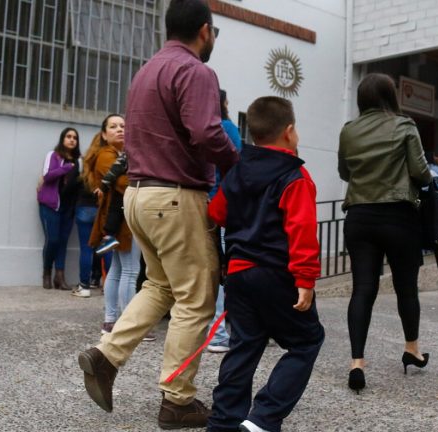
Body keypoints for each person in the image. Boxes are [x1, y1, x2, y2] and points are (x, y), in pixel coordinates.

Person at [76, 1, 238, 428]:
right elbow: (206, 132)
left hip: (139, 197)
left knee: (160, 286)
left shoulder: (146, 71)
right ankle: (177, 400)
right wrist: (237, 166)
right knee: (196, 299)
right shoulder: (197, 72)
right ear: (205, 31)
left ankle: (106, 355)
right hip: (176, 196)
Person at [206, 96, 324, 432]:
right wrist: (306, 279)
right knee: (306, 341)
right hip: (276, 274)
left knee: (244, 344)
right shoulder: (295, 176)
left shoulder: (239, 169)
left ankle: (224, 421)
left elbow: (217, 212)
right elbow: (301, 230)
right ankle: (263, 418)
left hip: (239, 275)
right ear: (289, 132)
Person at [337, 73, 432, 393]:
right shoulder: (405, 126)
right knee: (407, 289)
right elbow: (421, 173)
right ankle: (411, 349)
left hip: (359, 216)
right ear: (390, 97)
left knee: (362, 288)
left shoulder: (349, 130)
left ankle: (357, 364)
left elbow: (344, 172)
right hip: (398, 216)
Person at [86, 114, 143, 334]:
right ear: (104, 134)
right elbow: (123, 183)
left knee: (118, 270)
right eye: (113, 126)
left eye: (122, 126)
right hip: (120, 221)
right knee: (130, 270)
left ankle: (111, 320)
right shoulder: (105, 155)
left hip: (120, 219)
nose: (119, 129)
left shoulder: (121, 155)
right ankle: (128, 324)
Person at [207, 88, 243, 354]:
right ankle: (218, 334)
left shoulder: (191, 127)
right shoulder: (228, 128)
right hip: (222, 207)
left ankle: (209, 329)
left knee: (205, 269)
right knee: (223, 269)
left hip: (194, 203)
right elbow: (237, 169)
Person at [36, 127, 80, 290]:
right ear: (62, 139)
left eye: (75, 137)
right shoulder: (53, 155)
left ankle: (59, 278)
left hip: (68, 207)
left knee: (63, 242)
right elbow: (48, 176)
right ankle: (47, 273)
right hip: (50, 204)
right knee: (53, 239)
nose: (72, 140)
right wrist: (67, 168)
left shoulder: (78, 161)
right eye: (68, 136)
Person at [75, 134, 112, 293]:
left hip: (84, 208)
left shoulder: (85, 161)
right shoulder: (109, 160)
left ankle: (84, 287)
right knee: (106, 248)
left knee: (86, 249)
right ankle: (108, 286)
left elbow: (74, 184)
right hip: (103, 209)